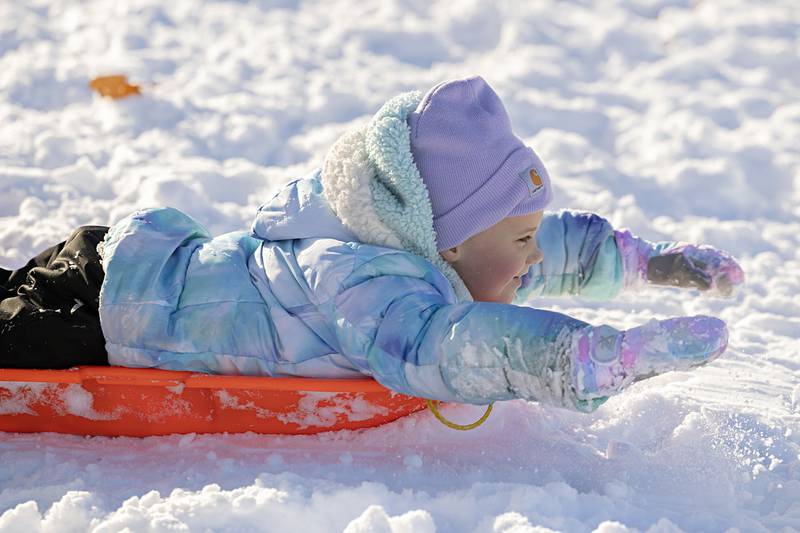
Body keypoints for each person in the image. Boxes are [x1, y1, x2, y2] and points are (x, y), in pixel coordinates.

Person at [0, 76, 743, 412]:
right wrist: (581, 358)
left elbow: (528, 248)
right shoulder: (362, 281)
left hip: (126, 269)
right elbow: (444, 347)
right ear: (446, 244)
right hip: (105, 307)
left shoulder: (429, 237)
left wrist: (649, 261)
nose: (536, 257)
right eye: (522, 238)